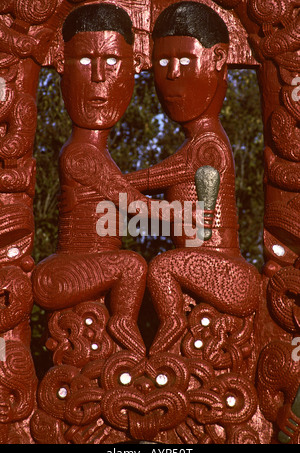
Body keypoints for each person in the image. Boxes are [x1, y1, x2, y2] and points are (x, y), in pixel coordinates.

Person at [32, 3, 173, 357]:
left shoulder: (97, 155)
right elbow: (135, 205)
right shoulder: (82, 154)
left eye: (111, 62)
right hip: (61, 277)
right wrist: (189, 216)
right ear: (61, 65)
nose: (98, 77)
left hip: (80, 273)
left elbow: (126, 188)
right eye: (84, 61)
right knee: (132, 264)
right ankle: (123, 327)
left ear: (133, 67)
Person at [125, 2, 261, 354]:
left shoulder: (207, 148)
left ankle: (170, 328)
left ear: (218, 58)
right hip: (207, 272)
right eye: (162, 62)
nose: (171, 74)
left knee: (160, 267)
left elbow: (154, 184)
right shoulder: (198, 145)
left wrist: (111, 187)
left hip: (228, 275)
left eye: (185, 60)